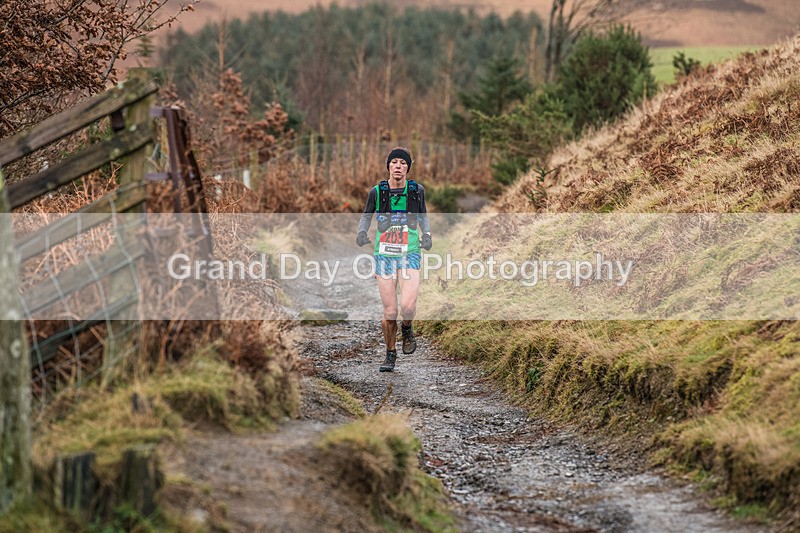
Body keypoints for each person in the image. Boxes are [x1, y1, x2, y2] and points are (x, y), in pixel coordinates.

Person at [356, 147, 432, 372]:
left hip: (410, 254)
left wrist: (426, 235)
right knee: (390, 312)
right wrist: (362, 232)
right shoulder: (377, 192)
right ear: (388, 166)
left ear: (408, 167)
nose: (398, 166)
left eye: (403, 163)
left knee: (407, 307)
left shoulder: (416, 191)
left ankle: (407, 328)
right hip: (384, 256)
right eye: (394, 162)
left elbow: (423, 216)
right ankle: (390, 353)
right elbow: (366, 216)